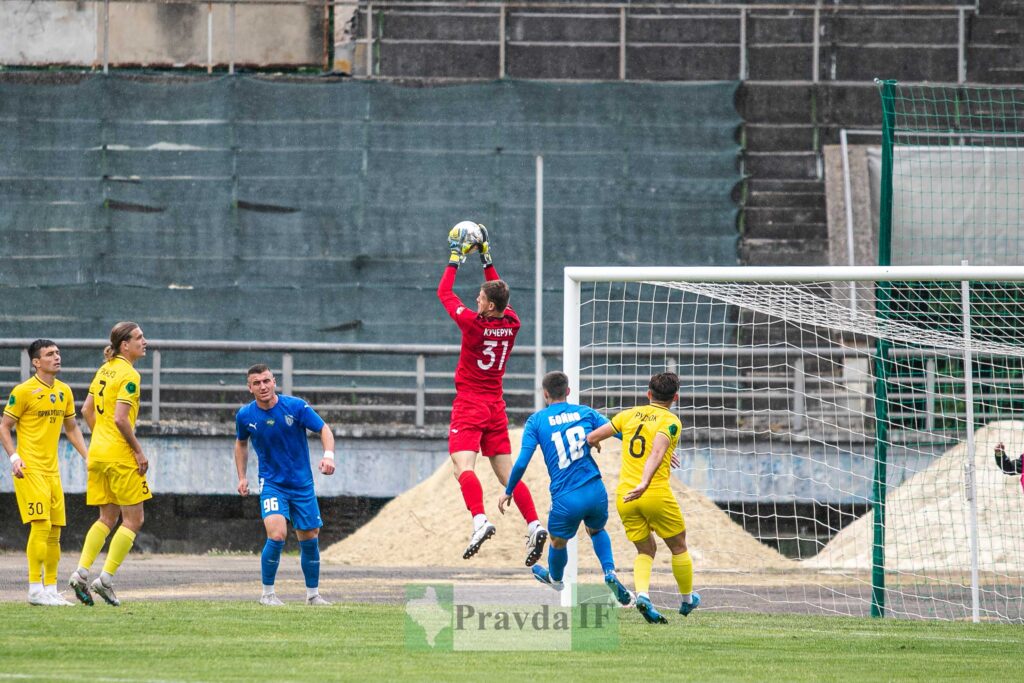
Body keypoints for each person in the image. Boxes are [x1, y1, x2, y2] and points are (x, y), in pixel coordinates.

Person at [437, 221, 546, 564]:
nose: (476, 298)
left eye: (480, 297)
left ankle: (479, 519)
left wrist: (455, 258)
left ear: (486, 306)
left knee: (462, 466)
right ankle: (533, 523)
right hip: (496, 407)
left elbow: (444, 293)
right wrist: (486, 257)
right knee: (506, 472)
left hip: (470, 404)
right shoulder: (512, 322)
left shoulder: (472, 324)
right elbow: (499, 290)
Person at [497, 371, 633, 606]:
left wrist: (509, 489)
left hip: (566, 497)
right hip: (595, 490)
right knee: (597, 530)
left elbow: (521, 462)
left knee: (558, 542)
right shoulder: (585, 413)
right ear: (568, 391)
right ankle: (609, 572)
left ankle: (555, 579)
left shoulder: (536, 421)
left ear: (545, 394)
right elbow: (621, 432)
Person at [585, 371, 700, 624]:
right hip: (653, 493)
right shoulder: (671, 421)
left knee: (645, 549)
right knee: (678, 546)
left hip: (625, 496)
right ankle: (687, 600)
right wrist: (645, 482)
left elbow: (592, 436)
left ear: (648, 394)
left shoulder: (628, 415)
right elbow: (657, 453)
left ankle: (644, 596)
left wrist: (595, 444)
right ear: (676, 398)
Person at [234, 364, 337, 606]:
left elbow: (324, 429)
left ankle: (313, 595)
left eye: (266, 381)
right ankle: (267, 594)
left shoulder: (295, 406)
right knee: (277, 534)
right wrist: (241, 476)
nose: (263, 386)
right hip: (272, 484)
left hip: (301, 485)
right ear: (249, 388)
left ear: (274, 382)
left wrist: (329, 455)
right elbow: (240, 443)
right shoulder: (245, 415)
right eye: (257, 383)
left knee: (310, 538)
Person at [67, 322, 151, 607]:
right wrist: (138, 452)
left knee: (107, 518)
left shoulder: (105, 369)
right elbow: (120, 418)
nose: (145, 341)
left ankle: (80, 573)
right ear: (124, 345)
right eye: (139, 337)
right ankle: (105, 580)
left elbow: (86, 410)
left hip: (98, 453)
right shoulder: (129, 374)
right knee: (134, 520)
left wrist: (100, 437)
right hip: (119, 455)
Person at [1, 339, 89, 606]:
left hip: (52, 471)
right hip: (30, 469)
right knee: (41, 526)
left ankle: (50, 588)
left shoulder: (64, 391)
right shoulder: (23, 391)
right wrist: (14, 457)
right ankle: (34, 588)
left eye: (58, 353)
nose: (57, 357)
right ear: (36, 362)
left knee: (55, 532)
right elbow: (4, 426)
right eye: (50, 354)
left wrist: (88, 456)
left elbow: (71, 428)